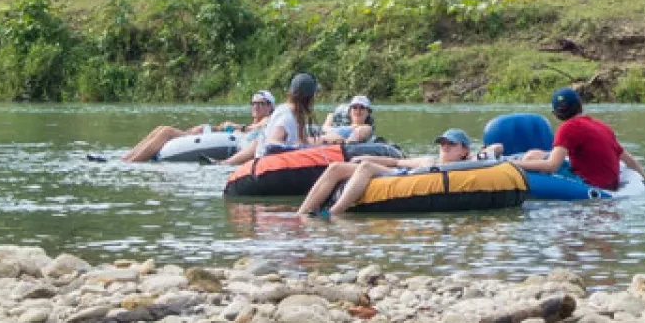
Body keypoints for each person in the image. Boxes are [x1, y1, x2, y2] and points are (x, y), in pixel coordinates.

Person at [297, 127, 500, 217]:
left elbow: (497, 148)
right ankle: (302, 212)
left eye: (451, 144)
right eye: (442, 144)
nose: (444, 147)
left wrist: (476, 155)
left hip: (406, 180)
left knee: (365, 168)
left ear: (464, 150)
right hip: (400, 176)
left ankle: (334, 213)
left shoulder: (468, 164)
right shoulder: (428, 160)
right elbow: (396, 161)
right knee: (336, 167)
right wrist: (368, 157)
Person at [512, 87, 645, 191]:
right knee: (537, 154)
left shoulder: (567, 128)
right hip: (610, 184)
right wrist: (643, 178)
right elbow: (629, 160)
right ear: (581, 106)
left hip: (589, 184)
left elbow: (551, 166)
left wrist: (513, 164)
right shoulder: (602, 126)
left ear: (555, 114)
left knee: (530, 157)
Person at [120, 91, 274, 163]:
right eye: (253, 103)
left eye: (261, 103)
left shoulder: (268, 120)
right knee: (160, 129)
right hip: (215, 139)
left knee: (166, 131)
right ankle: (127, 157)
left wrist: (237, 126)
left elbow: (256, 129)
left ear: (270, 107)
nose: (256, 106)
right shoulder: (252, 123)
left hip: (230, 145)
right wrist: (214, 128)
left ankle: (131, 162)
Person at [223, 73, 319, 166]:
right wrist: (297, 150)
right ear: (308, 98)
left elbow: (302, 142)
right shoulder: (286, 115)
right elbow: (273, 142)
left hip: (279, 163)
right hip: (267, 165)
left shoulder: (298, 115)